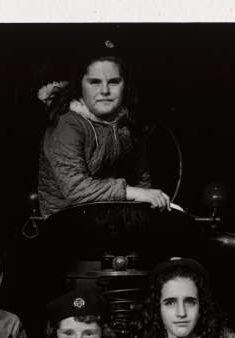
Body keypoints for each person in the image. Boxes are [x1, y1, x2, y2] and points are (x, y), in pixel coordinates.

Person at [37, 45, 170, 218]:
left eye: (114, 82)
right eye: (95, 82)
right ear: (80, 85)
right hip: (67, 218)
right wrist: (135, 193)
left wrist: (145, 209)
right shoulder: (68, 124)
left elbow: (140, 177)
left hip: (109, 214)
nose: (105, 91)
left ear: (125, 85)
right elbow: (76, 189)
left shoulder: (126, 122)